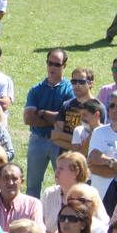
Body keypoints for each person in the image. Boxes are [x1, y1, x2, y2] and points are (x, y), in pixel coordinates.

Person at [22, 48, 74, 197]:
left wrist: (42, 113)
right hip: (37, 140)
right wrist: (57, 119)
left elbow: (68, 121)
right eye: (50, 63)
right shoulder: (36, 90)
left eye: (57, 64)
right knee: (32, 186)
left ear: (64, 66)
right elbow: (28, 119)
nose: (52, 67)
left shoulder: (70, 91)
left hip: (60, 142)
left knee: (64, 184)